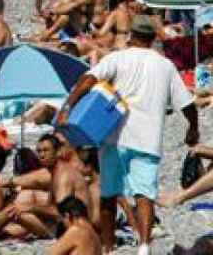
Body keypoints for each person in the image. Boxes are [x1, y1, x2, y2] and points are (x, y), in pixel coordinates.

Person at [59, 15, 198, 255]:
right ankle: (144, 246)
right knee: (145, 194)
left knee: (109, 194)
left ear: (131, 35)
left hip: (114, 135)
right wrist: (192, 127)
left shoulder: (116, 58)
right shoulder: (165, 65)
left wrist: (68, 107)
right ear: (153, 38)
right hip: (148, 137)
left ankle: (108, 247)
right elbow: (186, 103)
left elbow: (87, 80)